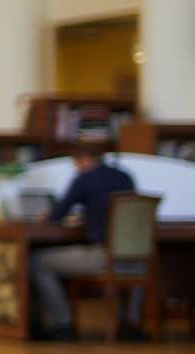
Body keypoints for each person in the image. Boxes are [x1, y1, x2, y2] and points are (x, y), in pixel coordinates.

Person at [29, 144, 141, 341]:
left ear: (84, 159)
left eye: (76, 163)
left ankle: (61, 325)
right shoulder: (125, 177)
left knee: (38, 261)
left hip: (102, 256)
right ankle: (130, 323)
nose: (76, 168)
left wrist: (49, 216)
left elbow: (57, 214)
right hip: (136, 259)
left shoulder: (86, 178)